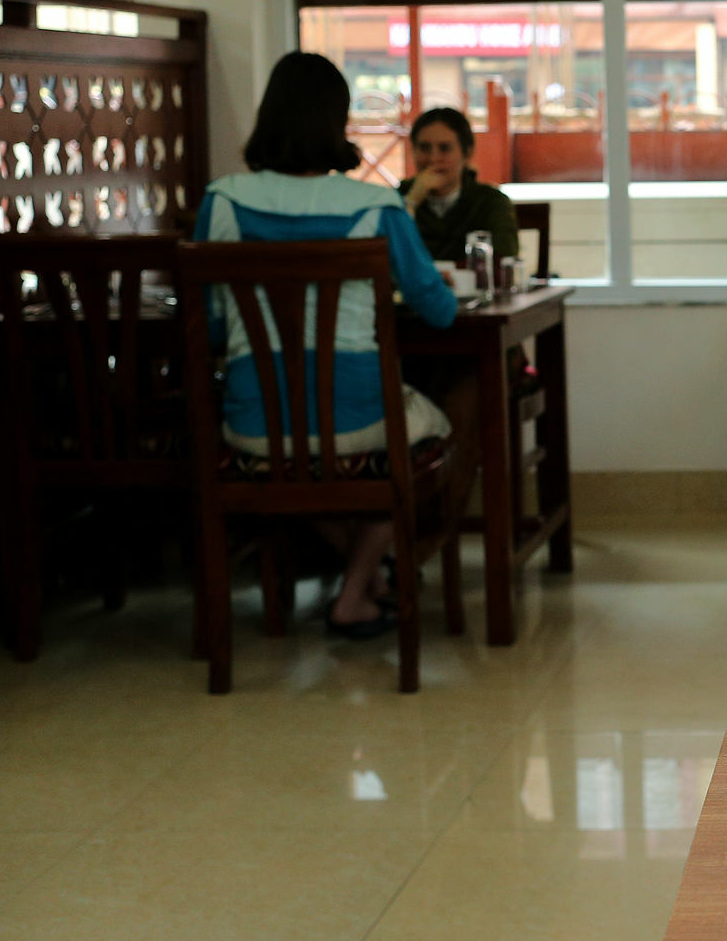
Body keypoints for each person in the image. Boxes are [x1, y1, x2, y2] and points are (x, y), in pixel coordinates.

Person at [194, 52, 458, 640]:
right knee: (431, 433)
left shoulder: (223, 201)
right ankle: (359, 588)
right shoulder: (376, 205)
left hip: (254, 426)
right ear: (337, 122)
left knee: (289, 462)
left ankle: (362, 579)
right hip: (359, 418)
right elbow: (439, 313)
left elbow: (212, 327)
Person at [398, 106, 519, 265]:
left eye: (445, 148)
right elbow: (387, 259)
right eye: (424, 148)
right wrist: (411, 202)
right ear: (413, 151)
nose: (434, 158)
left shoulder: (490, 202)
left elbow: (502, 261)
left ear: (467, 154)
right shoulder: (396, 200)